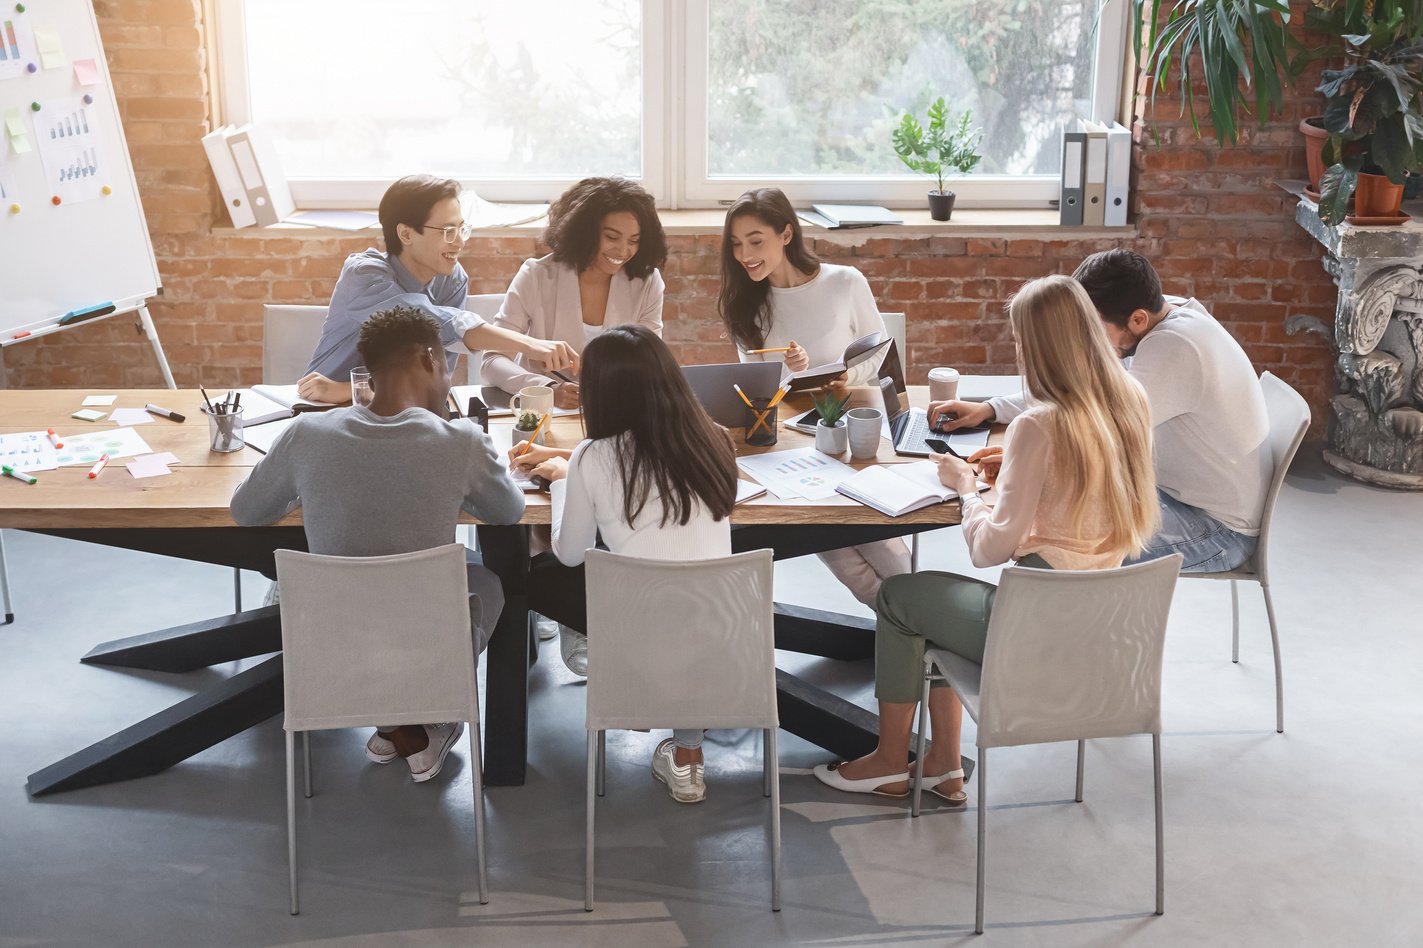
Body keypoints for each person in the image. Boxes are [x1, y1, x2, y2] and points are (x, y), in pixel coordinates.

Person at [813, 275, 1159, 802]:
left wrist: (966, 485)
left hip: (1037, 626)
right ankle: (943, 766)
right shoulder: (1129, 400)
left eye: (1021, 341)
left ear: (1041, 347)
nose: (1018, 352)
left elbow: (987, 550)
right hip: (1102, 628)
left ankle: (890, 760)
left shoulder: (1039, 425)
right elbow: (1082, 482)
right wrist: (1018, 474)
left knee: (902, 597)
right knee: (934, 603)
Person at [231, 305, 525, 784]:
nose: (449, 379)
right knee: (485, 581)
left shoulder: (307, 433)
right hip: (422, 640)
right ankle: (425, 712)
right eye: (447, 364)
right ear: (431, 359)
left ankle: (396, 721)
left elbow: (246, 512)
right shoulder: (461, 441)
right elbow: (509, 513)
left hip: (332, 644)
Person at [931, 249, 1269, 573]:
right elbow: (1083, 392)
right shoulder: (1162, 315)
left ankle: (1043, 625)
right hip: (1176, 492)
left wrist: (1025, 463)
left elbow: (1088, 409)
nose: (1084, 339)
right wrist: (991, 410)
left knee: (1051, 546)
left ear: (1137, 318)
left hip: (1215, 528)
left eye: (1091, 327)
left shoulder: (1175, 349)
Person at [512, 324, 738, 805]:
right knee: (683, 595)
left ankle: (585, 652)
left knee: (535, 576)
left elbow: (569, 552)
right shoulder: (714, 438)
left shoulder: (593, 457)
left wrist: (561, 484)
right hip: (725, 638)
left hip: (639, 639)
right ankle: (687, 756)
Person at [718, 187, 908, 607]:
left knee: (882, 547)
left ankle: (920, 626)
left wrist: (845, 378)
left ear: (786, 235)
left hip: (850, 434)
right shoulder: (744, 304)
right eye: (736, 244)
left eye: (755, 241)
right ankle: (918, 627)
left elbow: (879, 354)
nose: (744, 254)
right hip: (789, 447)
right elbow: (759, 391)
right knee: (847, 561)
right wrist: (793, 369)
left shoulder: (844, 282)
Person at [297, 174, 578, 406]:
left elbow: (437, 374)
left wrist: (352, 388)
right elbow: (429, 320)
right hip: (326, 408)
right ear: (406, 234)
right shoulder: (365, 274)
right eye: (447, 232)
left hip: (405, 412)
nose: (458, 243)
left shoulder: (452, 279)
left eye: (461, 229)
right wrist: (530, 344)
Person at [481, 176, 667, 410]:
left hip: (617, 412)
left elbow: (652, 363)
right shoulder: (536, 275)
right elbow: (492, 361)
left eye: (634, 241)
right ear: (585, 232)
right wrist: (547, 389)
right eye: (611, 237)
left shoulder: (647, 283)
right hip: (547, 414)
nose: (623, 250)